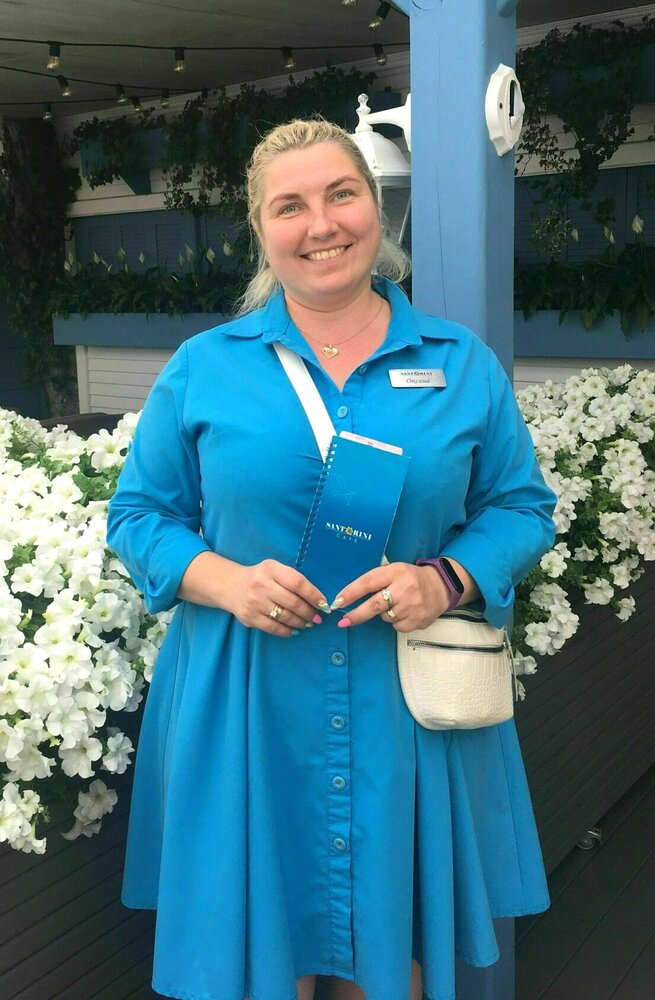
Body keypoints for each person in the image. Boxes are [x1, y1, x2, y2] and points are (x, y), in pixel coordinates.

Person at [106, 118, 556, 1000]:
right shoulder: (206, 366)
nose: (321, 224)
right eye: (290, 206)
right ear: (261, 229)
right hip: (246, 704)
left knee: (389, 959)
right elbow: (139, 514)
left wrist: (445, 578)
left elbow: (519, 506)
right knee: (262, 961)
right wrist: (225, 580)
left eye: (340, 195)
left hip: (402, 704)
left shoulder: (456, 363)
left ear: (374, 207)